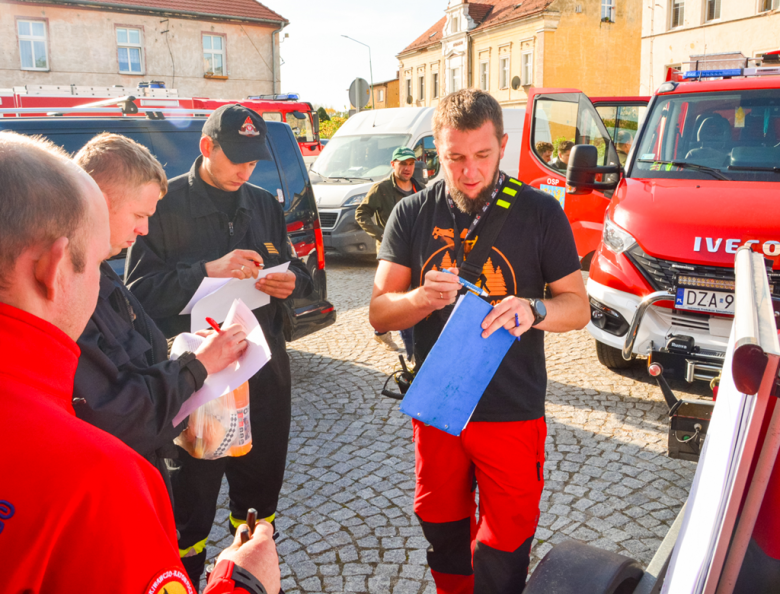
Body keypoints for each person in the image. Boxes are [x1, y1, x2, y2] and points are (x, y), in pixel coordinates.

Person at [0, 131, 280, 594]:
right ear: (51, 271)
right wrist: (244, 581)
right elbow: (118, 409)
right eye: (90, 264)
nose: (142, 231)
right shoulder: (99, 477)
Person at [369, 89, 590, 594]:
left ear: (504, 146)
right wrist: (422, 298)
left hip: (511, 409)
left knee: (506, 539)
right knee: (442, 530)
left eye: (482, 156)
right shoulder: (411, 213)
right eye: (455, 158)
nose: (469, 171)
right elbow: (379, 312)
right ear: (437, 152)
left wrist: (533, 310)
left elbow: (577, 307)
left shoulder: (539, 213)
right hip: (438, 405)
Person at [126, 103, 314, 586]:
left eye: (253, 161)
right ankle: (184, 577)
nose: (245, 170)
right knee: (189, 506)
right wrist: (205, 271)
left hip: (264, 375)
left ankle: (248, 573)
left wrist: (291, 280)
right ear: (207, 147)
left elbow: (297, 269)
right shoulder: (164, 207)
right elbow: (139, 294)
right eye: (237, 159)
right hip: (197, 382)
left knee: (258, 494)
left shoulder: (263, 203)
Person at [71, 133, 248, 501]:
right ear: (99, 202)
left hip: (136, 474)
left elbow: (129, 356)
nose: (144, 230)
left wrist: (187, 351)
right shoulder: (70, 287)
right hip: (114, 486)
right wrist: (197, 366)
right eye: (139, 215)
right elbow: (113, 413)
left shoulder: (98, 268)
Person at [355, 146, 423, 357]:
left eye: (411, 164)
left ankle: (406, 345)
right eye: (403, 163)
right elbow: (361, 213)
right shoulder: (381, 189)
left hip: (415, 251)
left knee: (409, 298)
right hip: (392, 253)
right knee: (392, 296)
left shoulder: (419, 189)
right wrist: (382, 235)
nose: (407, 168)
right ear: (393, 165)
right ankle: (389, 335)